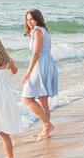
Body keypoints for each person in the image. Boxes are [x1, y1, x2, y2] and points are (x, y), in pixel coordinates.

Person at [21, 9, 58, 140]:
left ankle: (47, 125)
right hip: (48, 63)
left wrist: (27, 73)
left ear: (37, 19)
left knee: (27, 98)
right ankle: (46, 131)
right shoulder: (43, 31)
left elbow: (36, 53)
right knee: (43, 101)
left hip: (41, 64)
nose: (29, 22)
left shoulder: (37, 31)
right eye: (27, 19)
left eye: (31, 19)